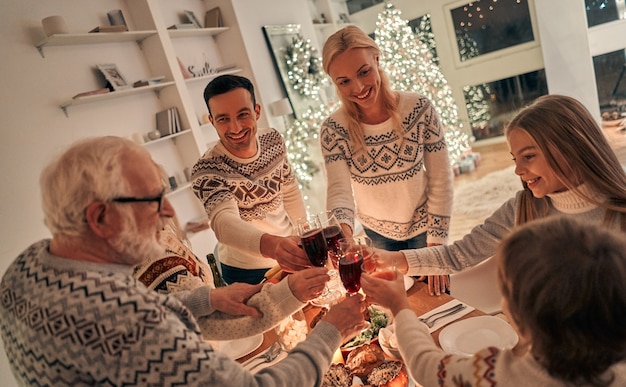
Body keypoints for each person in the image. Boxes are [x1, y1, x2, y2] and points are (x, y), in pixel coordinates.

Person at [0, 136, 369, 386]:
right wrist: (331, 331)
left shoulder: (26, 265)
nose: (169, 211)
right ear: (99, 218)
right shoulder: (131, 324)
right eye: (152, 200)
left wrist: (205, 299)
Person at [361, 216, 626, 386]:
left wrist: (400, 309)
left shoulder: (499, 374)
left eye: (506, 288)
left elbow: (426, 367)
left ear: (523, 319)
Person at [379, 94, 626, 276]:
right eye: (515, 159)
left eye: (529, 156)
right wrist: (387, 259)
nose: (518, 170)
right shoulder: (523, 208)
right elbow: (458, 254)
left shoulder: (618, 213)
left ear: (569, 148)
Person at [320, 25, 453, 295]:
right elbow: (339, 192)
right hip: (375, 239)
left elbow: (441, 179)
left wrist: (437, 245)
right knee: (391, 319)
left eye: (364, 72)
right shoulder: (333, 130)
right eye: (344, 81)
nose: (358, 88)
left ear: (377, 61)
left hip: (425, 234)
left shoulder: (419, 110)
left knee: (438, 307)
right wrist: (343, 238)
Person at [191, 74, 310, 285]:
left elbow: (290, 191)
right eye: (223, 119)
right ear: (212, 121)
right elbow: (223, 222)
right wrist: (274, 246)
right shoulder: (207, 169)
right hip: (245, 273)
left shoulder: (273, 140)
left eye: (243, 114)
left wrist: (305, 234)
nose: (235, 128)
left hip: (293, 250)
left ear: (257, 111)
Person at [133, 216, 332, 340]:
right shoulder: (150, 256)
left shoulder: (159, 233)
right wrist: (290, 293)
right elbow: (212, 323)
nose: (168, 207)